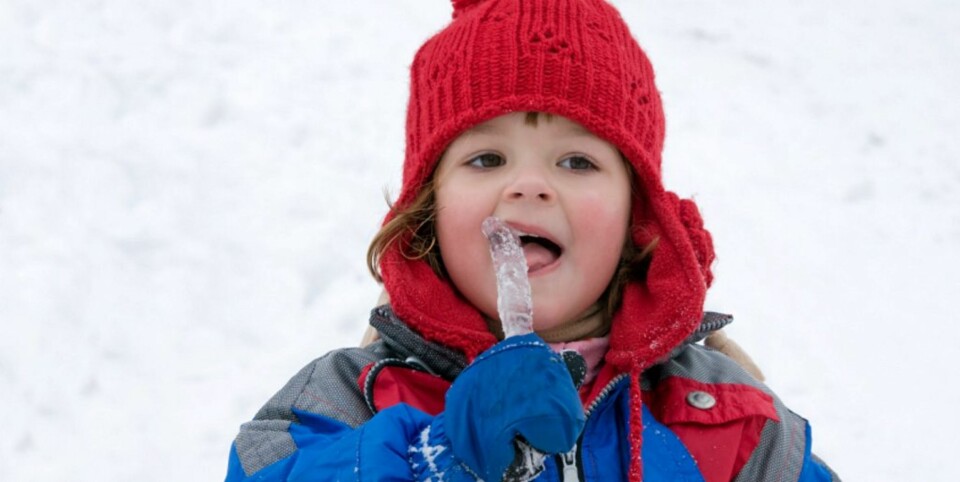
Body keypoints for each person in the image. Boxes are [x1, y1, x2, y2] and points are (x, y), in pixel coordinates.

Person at [225, 0, 839, 480]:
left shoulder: (732, 423)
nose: (528, 186)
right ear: (426, 211)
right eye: (487, 158)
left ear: (637, 218)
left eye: (576, 163)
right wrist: (433, 459)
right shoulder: (350, 399)